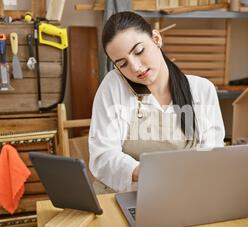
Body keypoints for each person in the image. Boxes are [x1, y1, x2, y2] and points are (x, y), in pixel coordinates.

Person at [89, 11, 225, 192]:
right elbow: (103, 157)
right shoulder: (114, 86)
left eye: (139, 51)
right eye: (122, 64)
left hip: (182, 193)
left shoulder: (202, 90)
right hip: (122, 195)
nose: (135, 67)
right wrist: (149, 172)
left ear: (156, 39)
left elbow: (212, 155)